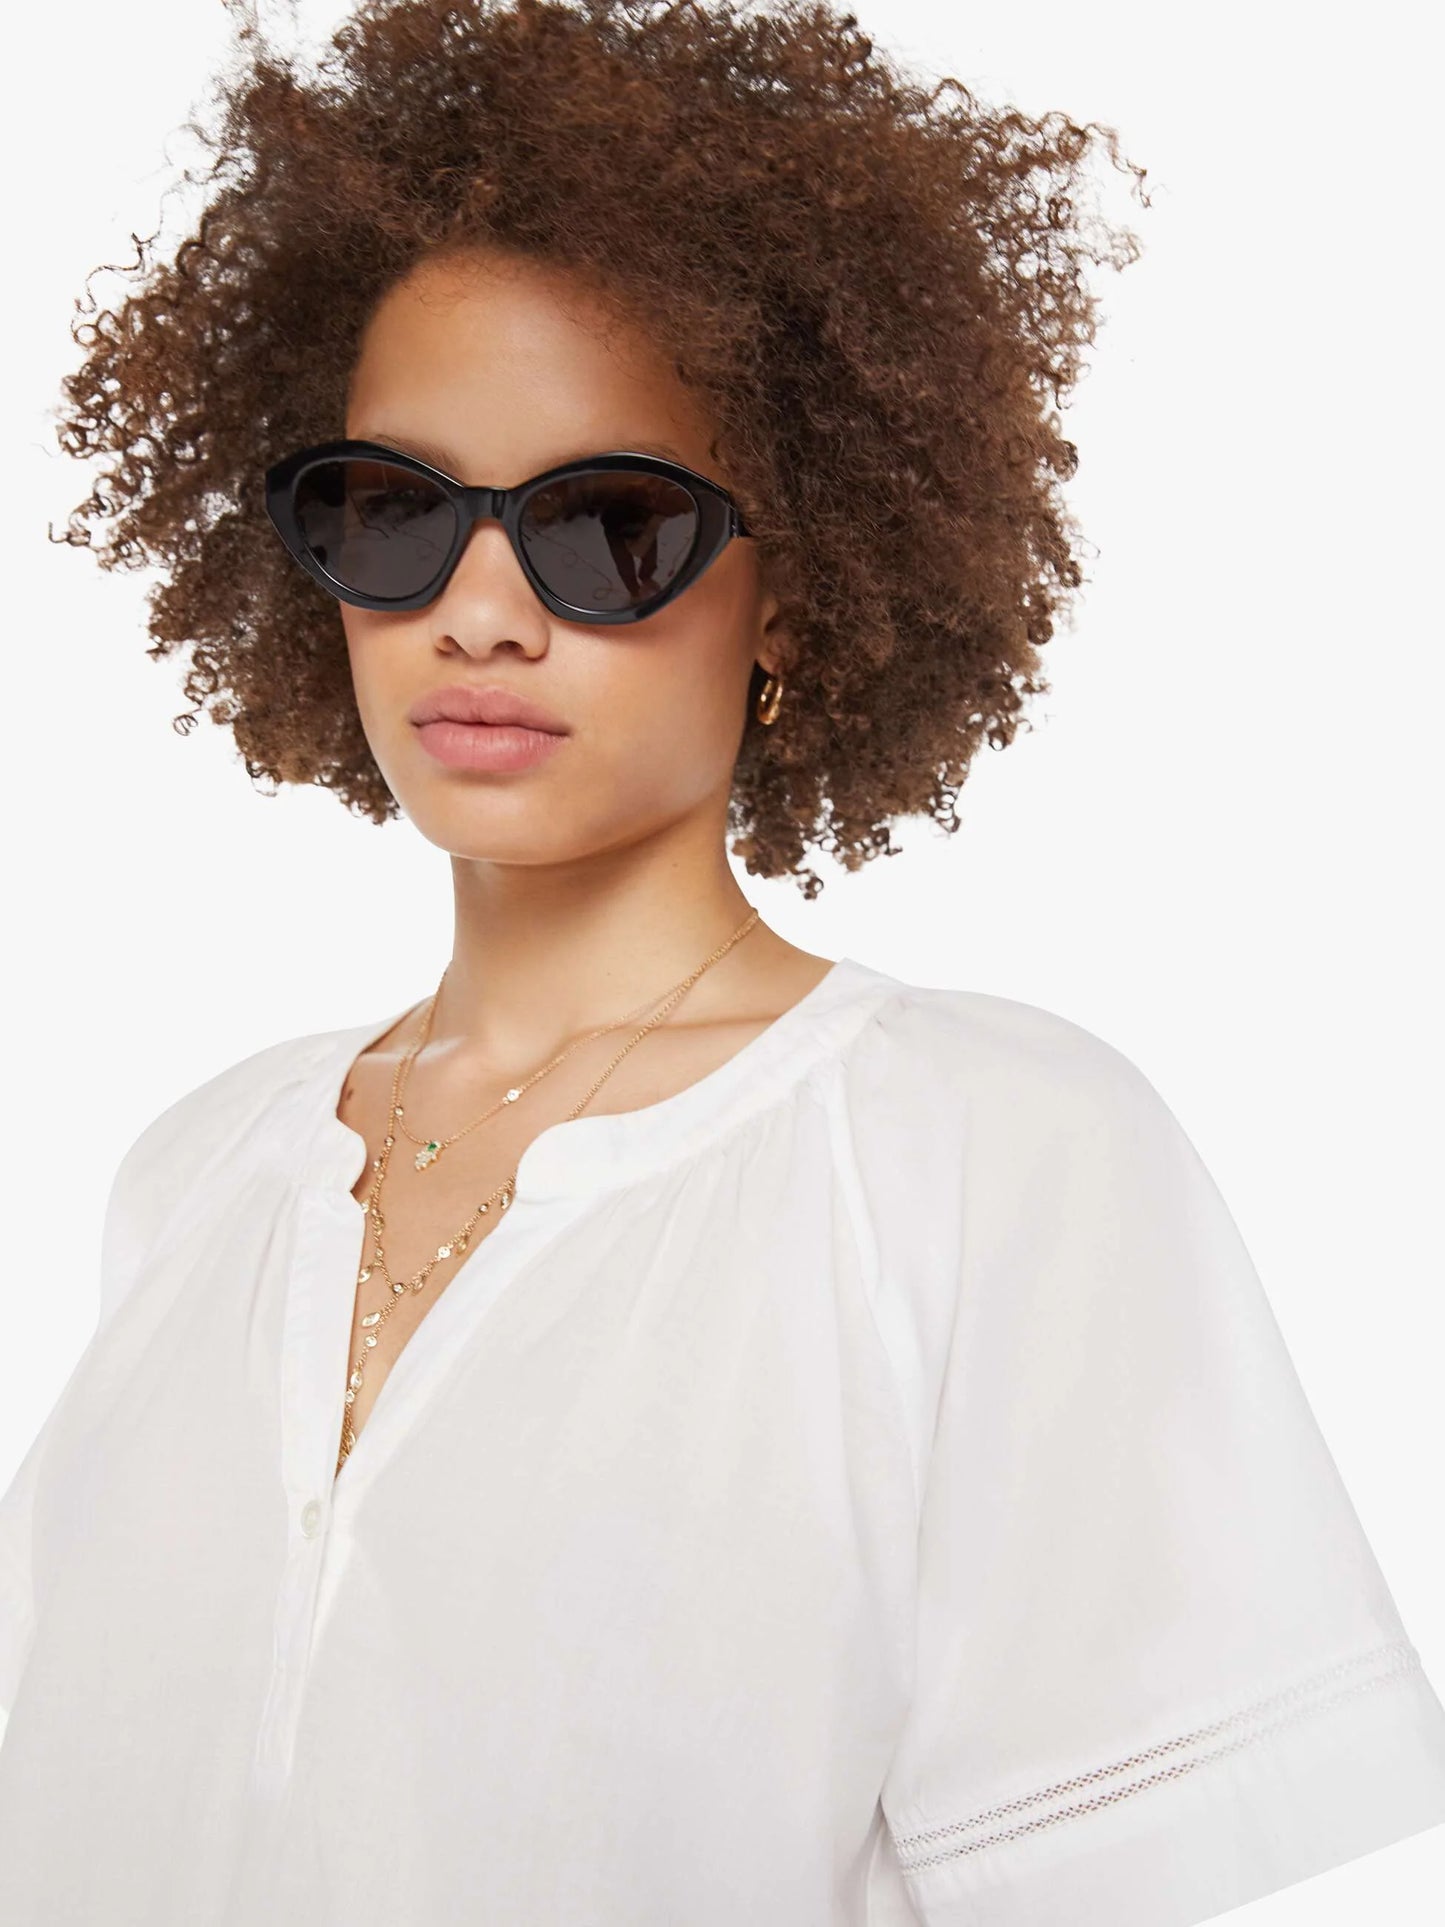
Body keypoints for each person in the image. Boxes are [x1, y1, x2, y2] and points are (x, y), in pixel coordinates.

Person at [2, 2, 1442, 1922]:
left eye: (608, 527)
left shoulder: (976, 1155)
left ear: (795, 595)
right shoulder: (196, 1176)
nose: (479, 616)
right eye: (397, 513)